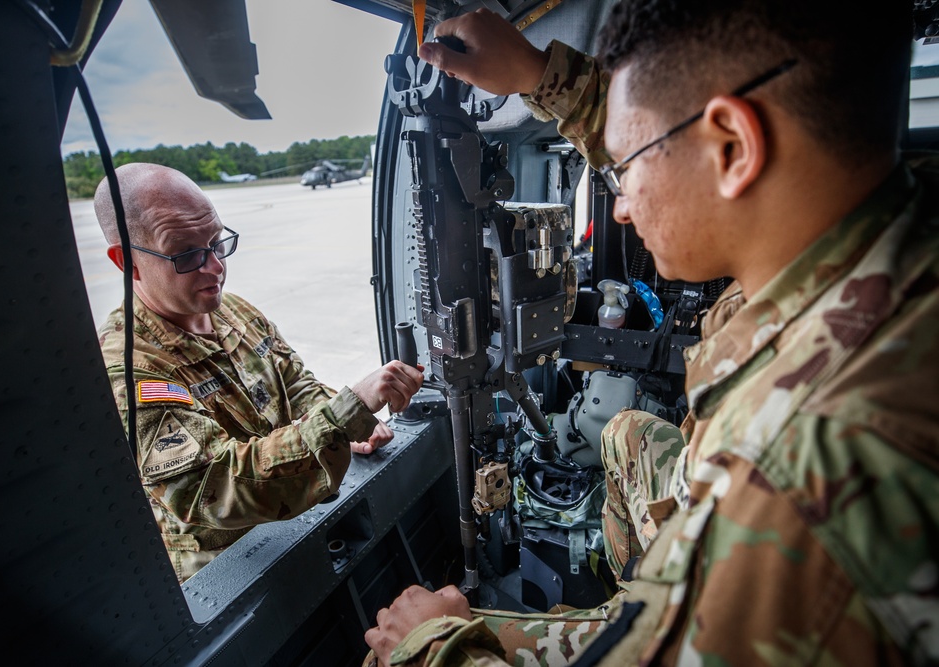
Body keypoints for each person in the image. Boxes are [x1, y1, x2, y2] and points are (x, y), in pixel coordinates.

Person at [365, 2, 938, 665]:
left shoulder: (796, 470)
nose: (622, 203)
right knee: (623, 431)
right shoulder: (893, 240)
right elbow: (681, 123)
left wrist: (435, 642)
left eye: (624, 167)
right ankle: (639, 591)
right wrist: (537, 74)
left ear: (732, 147)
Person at [94, 163, 423, 583]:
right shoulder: (130, 370)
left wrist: (346, 422)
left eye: (217, 243)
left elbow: (296, 383)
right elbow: (215, 489)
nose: (214, 267)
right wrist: (343, 414)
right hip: (232, 575)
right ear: (128, 262)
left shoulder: (234, 311)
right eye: (187, 254)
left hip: (294, 530)